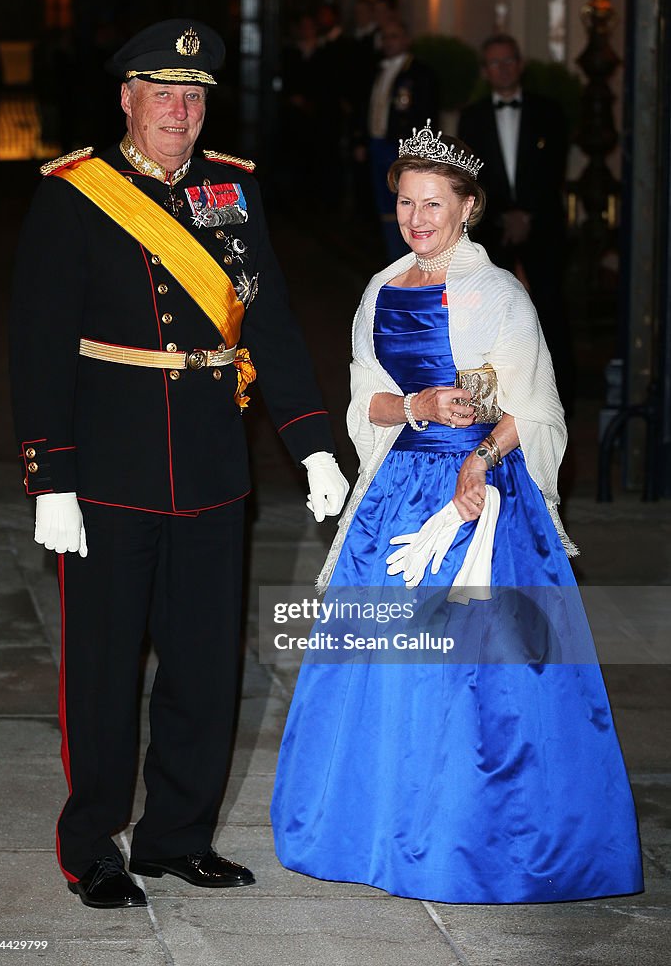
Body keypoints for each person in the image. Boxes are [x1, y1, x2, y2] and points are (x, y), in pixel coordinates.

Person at [9, 18, 348, 910]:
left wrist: (312, 440)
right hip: (109, 473)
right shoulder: (74, 192)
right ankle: (93, 846)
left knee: (204, 665)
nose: (180, 112)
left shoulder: (232, 192)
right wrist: (51, 477)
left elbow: (267, 326)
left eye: (193, 97)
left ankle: (176, 837)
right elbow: (38, 345)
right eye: (162, 94)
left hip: (209, 466)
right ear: (126, 99)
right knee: (103, 671)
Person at [271, 123, 643, 903]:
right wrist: (413, 403)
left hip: (479, 498)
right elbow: (361, 399)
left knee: (473, 675)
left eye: (432, 204)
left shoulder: (498, 293)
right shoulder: (379, 288)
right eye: (405, 202)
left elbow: (535, 408)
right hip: (397, 494)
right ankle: (373, 831)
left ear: (467, 207)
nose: (416, 218)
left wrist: (479, 457)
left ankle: (466, 841)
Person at [458, 33, 574, 413]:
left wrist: (528, 215)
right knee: (493, 314)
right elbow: (474, 176)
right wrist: (506, 214)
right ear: (484, 71)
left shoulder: (549, 111)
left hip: (542, 225)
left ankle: (558, 401)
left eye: (509, 61)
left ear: (520, 64)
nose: (503, 68)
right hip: (494, 228)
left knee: (550, 308)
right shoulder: (471, 116)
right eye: (495, 63)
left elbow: (552, 169)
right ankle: (498, 404)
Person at [353, 20, 437, 261]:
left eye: (395, 36)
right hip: (378, 144)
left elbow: (426, 116)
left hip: (402, 149)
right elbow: (365, 108)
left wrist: (418, 153)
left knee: (406, 204)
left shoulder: (420, 73)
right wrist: (361, 140)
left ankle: (412, 257)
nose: (389, 42)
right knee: (383, 205)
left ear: (407, 40)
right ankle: (393, 258)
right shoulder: (375, 70)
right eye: (386, 37)